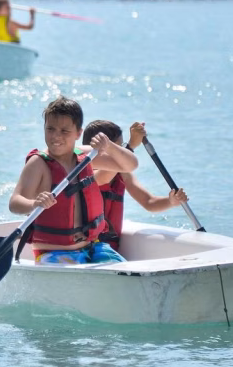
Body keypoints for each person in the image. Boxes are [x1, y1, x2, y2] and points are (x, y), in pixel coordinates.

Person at [9, 96, 138, 265]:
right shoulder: (38, 164)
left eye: (64, 131)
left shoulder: (85, 155)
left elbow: (131, 165)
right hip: (54, 252)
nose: (56, 136)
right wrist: (34, 203)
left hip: (94, 247)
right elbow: (15, 203)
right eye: (50, 129)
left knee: (125, 273)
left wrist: (109, 146)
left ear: (78, 133)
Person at [82, 120, 189, 252]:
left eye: (122, 147)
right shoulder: (83, 174)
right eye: (119, 148)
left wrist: (171, 201)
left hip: (110, 248)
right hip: (85, 247)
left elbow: (149, 202)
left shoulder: (123, 175)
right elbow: (104, 176)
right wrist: (131, 146)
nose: (123, 153)